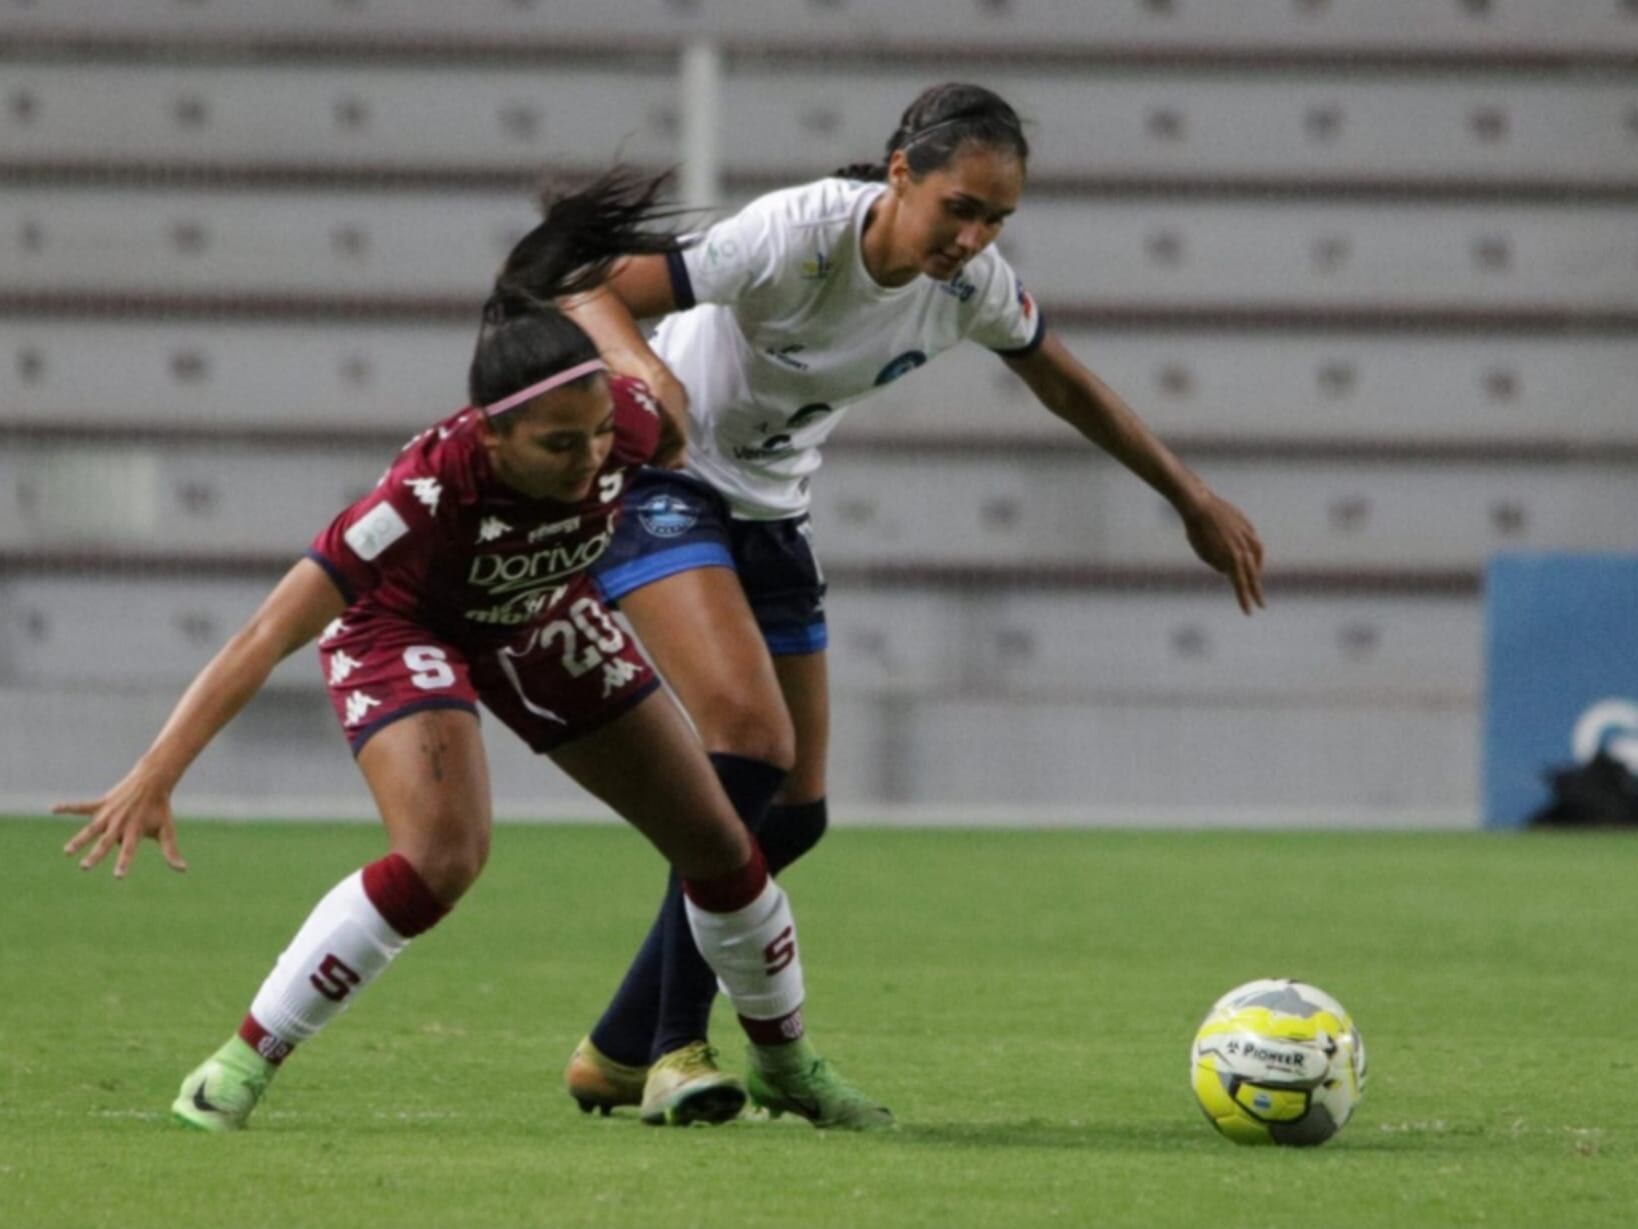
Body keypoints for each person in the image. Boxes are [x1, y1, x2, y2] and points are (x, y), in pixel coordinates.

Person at [54, 170, 891, 1133]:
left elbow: (659, 417)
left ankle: (785, 1064)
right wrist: (157, 773)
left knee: (719, 846)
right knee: (443, 856)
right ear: (491, 435)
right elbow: (264, 634)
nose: (587, 461)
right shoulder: (418, 500)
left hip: (535, 612)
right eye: (556, 445)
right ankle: (237, 1067)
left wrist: (642, 378)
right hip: (404, 628)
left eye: (593, 436)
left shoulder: (620, 424)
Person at [555, 83, 1268, 1114]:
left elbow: (1064, 380)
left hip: (770, 513)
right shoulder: (791, 236)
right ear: (902, 176)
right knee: (747, 743)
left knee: (794, 811)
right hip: (664, 488)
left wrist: (1189, 497)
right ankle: (676, 1049)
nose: (974, 237)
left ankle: (616, 1046)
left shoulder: (972, 286)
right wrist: (646, 380)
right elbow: (588, 287)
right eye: (961, 209)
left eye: (997, 220)